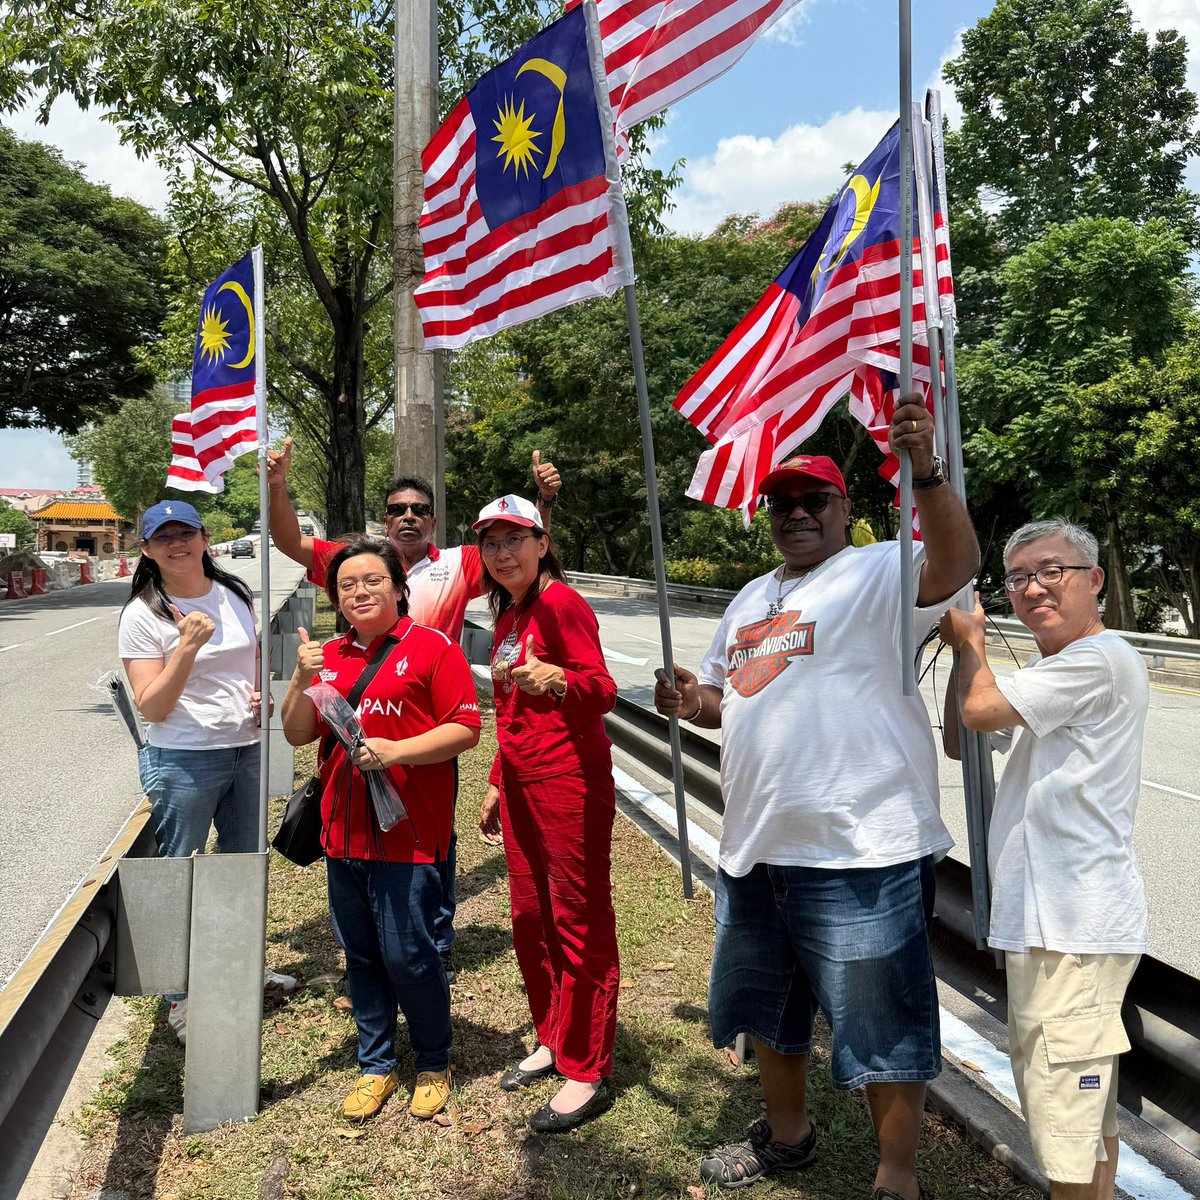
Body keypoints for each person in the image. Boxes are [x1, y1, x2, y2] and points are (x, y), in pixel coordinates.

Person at [654, 398, 979, 1198]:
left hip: (863, 847)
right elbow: (722, 699)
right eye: (782, 503)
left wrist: (926, 473)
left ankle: (896, 1178)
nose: (796, 514)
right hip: (757, 845)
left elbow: (957, 563)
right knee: (768, 1007)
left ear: (844, 508)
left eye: (814, 501)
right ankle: (787, 1135)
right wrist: (688, 700)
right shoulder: (748, 598)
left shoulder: (881, 569)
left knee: (883, 1022)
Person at [265, 443, 562, 979]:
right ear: (384, 520)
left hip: (430, 719)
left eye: (419, 510)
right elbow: (289, 541)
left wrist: (542, 503)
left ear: (433, 522)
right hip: (358, 719)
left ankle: (435, 939)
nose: (408, 517)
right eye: (397, 509)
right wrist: (277, 486)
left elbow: (518, 554)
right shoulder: (359, 562)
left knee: (433, 831)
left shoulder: (458, 563)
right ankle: (370, 949)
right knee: (359, 829)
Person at [939, 519, 1148, 1200]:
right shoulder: (1050, 675)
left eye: (1052, 571)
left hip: (1071, 925)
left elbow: (979, 712)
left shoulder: (1101, 658)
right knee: (1081, 1117)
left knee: (1062, 1115)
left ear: (1094, 580)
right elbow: (962, 737)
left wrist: (971, 643)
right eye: (1019, 577)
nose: (1033, 588)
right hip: (1054, 924)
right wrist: (965, 654)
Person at [280, 535, 481, 1122]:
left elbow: (465, 729)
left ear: (398, 588)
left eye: (373, 581)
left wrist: (397, 751)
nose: (360, 592)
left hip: (409, 833)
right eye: (347, 585)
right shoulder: (329, 655)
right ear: (336, 598)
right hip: (343, 832)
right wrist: (298, 679)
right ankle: (375, 1064)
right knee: (361, 955)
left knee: (409, 955)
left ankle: (434, 1061)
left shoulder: (433, 647)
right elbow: (297, 733)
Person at [117, 500, 295, 1045]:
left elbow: (249, 663)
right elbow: (152, 706)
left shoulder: (234, 592)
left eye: (186, 533)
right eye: (163, 537)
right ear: (147, 549)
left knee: (244, 865)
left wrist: (262, 697)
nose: (177, 544)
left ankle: (243, 968)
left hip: (246, 750)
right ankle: (180, 996)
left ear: (204, 538)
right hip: (184, 759)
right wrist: (188, 647)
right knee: (181, 872)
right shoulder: (142, 615)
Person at [474, 494, 619, 1133]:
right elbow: (510, 711)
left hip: (568, 782)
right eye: (492, 542)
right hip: (521, 782)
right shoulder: (509, 613)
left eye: (515, 539)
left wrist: (558, 679)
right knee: (531, 918)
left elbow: (603, 689)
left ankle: (587, 1065)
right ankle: (554, 1036)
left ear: (541, 544)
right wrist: (495, 781)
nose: (503, 553)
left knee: (576, 919)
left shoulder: (561, 604)